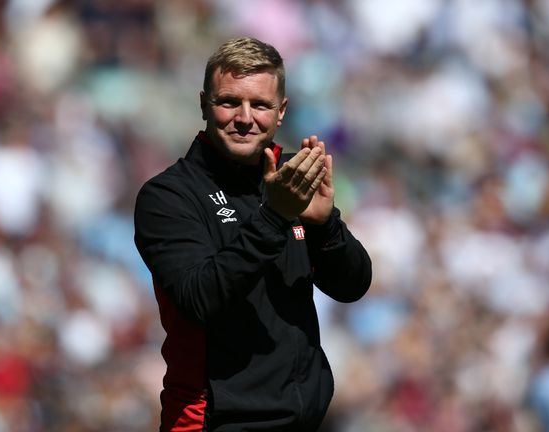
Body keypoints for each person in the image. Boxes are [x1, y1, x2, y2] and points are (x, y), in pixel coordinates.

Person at [134, 36, 372, 431]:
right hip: (212, 420)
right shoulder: (169, 195)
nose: (245, 117)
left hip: (302, 420)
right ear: (204, 104)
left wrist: (324, 225)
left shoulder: (292, 177)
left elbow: (354, 286)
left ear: (281, 112)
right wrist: (275, 215)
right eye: (229, 102)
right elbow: (200, 298)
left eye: (260, 105)